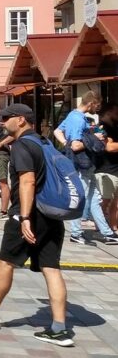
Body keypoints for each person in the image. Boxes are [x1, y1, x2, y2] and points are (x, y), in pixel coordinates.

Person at [0, 104, 75, 346]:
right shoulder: (43, 142)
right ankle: (59, 328)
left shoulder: (23, 145)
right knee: (52, 268)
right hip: (52, 214)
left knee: (6, 262)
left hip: (29, 215)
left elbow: (27, 181)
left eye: (6, 118)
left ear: (21, 120)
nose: (2, 122)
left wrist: (23, 218)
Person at [54, 91, 116, 244]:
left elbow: (57, 131)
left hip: (86, 165)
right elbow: (76, 146)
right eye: (97, 106)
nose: (98, 109)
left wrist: (66, 143)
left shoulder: (73, 116)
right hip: (82, 164)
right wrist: (95, 138)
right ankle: (76, 233)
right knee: (82, 198)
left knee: (94, 199)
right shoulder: (77, 119)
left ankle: (107, 233)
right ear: (91, 103)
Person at [96, 103, 118, 231]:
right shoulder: (102, 128)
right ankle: (101, 226)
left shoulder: (115, 127)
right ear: (108, 113)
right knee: (106, 201)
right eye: (116, 112)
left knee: (115, 203)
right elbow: (108, 147)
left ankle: (113, 227)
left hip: (115, 169)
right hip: (106, 170)